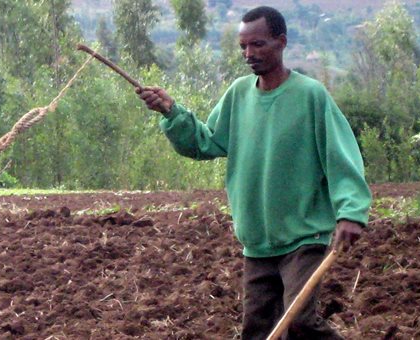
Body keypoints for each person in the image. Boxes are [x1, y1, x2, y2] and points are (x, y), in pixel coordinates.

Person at [134, 6, 371, 339]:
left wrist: (352, 213)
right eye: (243, 46)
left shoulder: (310, 96)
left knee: (300, 322)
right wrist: (171, 111)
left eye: (258, 44)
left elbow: (341, 158)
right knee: (257, 329)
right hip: (257, 243)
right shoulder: (239, 95)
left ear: (281, 42)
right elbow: (205, 142)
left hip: (303, 236)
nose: (249, 54)